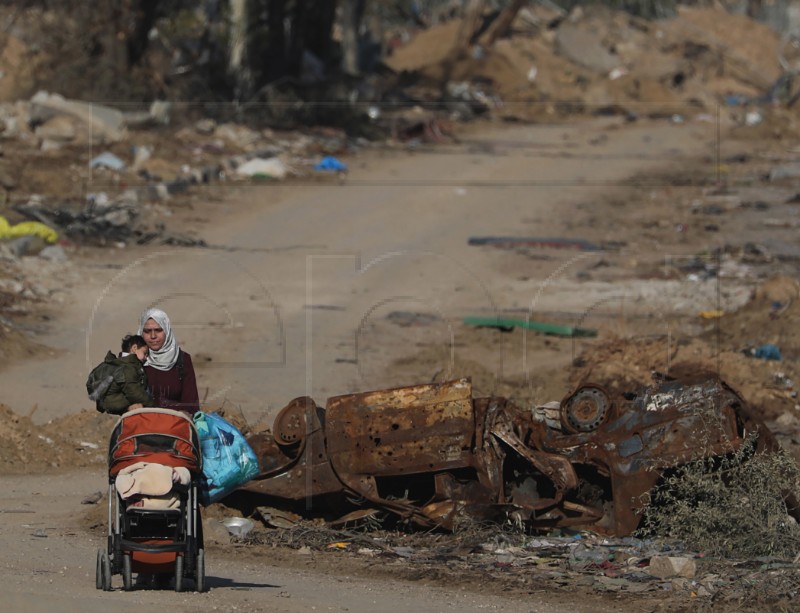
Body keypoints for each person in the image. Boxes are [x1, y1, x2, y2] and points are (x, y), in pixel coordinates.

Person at [138, 307, 200, 415]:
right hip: (140, 427)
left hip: (173, 426)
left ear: (167, 330)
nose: (153, 336)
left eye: (158, 330)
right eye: (147, 331)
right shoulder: (131, 360)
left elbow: (191, 405)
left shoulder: (182, 360)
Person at [87, 334, 154, 414]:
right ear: (134, 348)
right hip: (115, 407)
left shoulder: (117, 364)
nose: (146, 358)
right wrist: (152, 406)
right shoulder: (128, 368)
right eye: (145, 353)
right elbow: (134, 392)